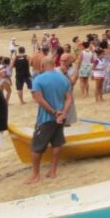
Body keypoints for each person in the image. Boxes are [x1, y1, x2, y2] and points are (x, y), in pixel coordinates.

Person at [24, 56, 73, 184]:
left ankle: (35, 175)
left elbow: (39, 99)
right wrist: (63, 113)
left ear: (42, 66)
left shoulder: (38, 79)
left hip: (46, 118)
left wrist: (54, 112)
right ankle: (53, 171)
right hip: (60, 117)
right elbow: (69, 99)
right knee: (57, 143)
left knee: (36, 147)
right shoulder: (63, 79)